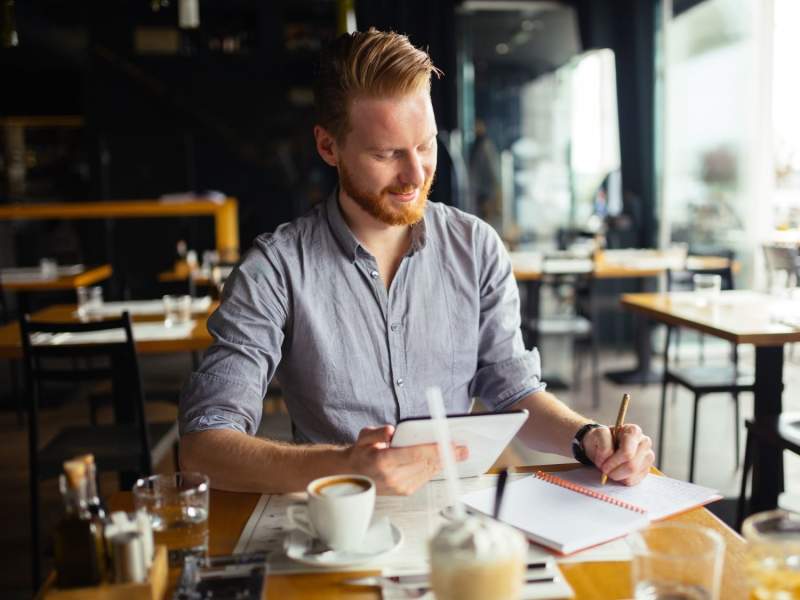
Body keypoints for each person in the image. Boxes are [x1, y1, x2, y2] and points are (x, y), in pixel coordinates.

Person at [179, 29, 654, 495]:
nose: (415, 174)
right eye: (386, 154)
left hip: (458, 521)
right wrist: (345, 465)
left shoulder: (476, 247)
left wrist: (587, 437)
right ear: (328, 147)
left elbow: (513, 392)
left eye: (425, 145)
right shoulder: (275, 270)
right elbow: (203, 447)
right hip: (336, 528)